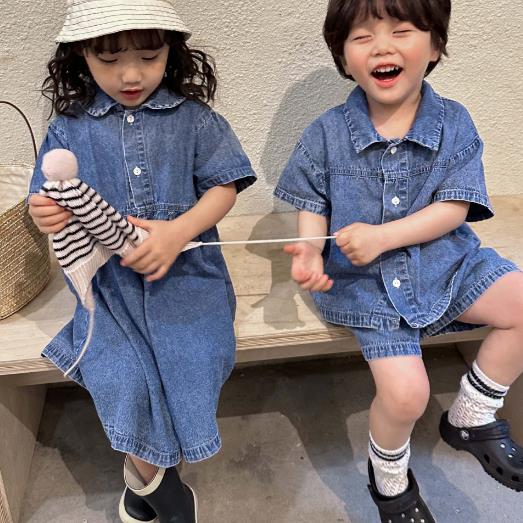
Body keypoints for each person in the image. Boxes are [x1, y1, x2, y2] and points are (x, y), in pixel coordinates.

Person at [274, 0, 523, 520]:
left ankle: (473, 414)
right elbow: (311, 203)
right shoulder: (325, 133)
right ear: (343, 56)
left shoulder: (454, 122)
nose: (382, 47)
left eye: (402, 31)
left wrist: (385, 236)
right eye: (362, 37)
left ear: (434, 46)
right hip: (366, 286)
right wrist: (310, 252)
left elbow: (455, 207)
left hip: (447, 264)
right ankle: (388, 480)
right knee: (407, 395)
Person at [27, 1, 256, 522]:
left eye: (149, 57)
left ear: (171, 52)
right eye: (109, 60)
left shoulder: (193, 119)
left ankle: (139, 485)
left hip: (189, 279)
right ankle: (166, 494)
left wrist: (178, 232)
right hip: (109, 289)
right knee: (121, 380)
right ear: (81, 56)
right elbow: (47, 196)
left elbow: (224, 187)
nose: (130, 76)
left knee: (193, 366)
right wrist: (45, 212)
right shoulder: (69, 128)